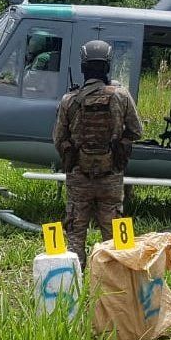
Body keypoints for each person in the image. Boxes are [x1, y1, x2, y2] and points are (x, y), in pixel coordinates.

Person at [53, 40, 144, 267]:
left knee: (75, 233)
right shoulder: (121, 96)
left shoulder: (69, 100)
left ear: (84, 67)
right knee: (114, 236)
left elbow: (58, 139)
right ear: (107, 66)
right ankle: (116, 282)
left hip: (79, 177)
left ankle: (73, 282)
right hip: (110, 176)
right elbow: (137, 131)